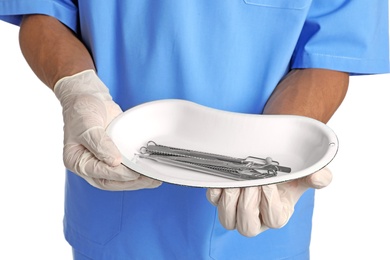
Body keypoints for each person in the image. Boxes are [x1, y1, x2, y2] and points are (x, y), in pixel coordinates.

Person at [0, 1, 389, 259]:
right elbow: (42, 10)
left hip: (257, 220)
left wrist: (281, 143)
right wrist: (78, 89)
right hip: (117, 211)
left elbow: (329, 48)